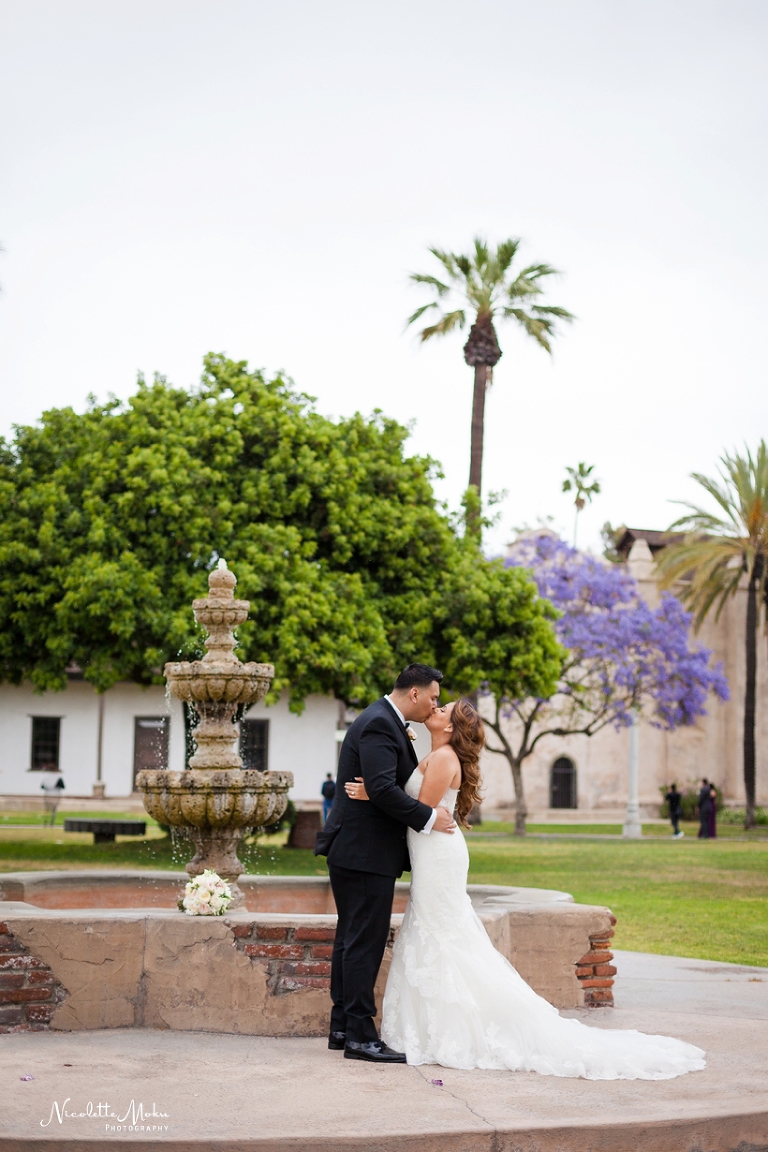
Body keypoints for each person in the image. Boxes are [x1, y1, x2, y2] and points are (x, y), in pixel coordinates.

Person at [345, 698, 706, 1080]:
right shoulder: (437, 753)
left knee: (442, 934)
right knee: (437, 930)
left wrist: (376, 795)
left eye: (443, 708)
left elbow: (418, 812)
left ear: (450, 728)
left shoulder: (445, 758)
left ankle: (461, 1026)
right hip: (432, 852)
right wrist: (384, 791)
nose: (436, 708)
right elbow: (416, 805)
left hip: (438, 856)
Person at [314, 663, 456, 1064]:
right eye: (432, 697)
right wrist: (429, 819)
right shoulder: (379, 723)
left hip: (358, 850)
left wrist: (376, 793)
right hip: (364, 852)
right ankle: (360, 1035)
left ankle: (342, 1027)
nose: (434, 704)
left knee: (350, 939)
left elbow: (378, 786)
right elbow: (381, 787)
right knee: (363, 942)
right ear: (414, 694)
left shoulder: (383, 720)